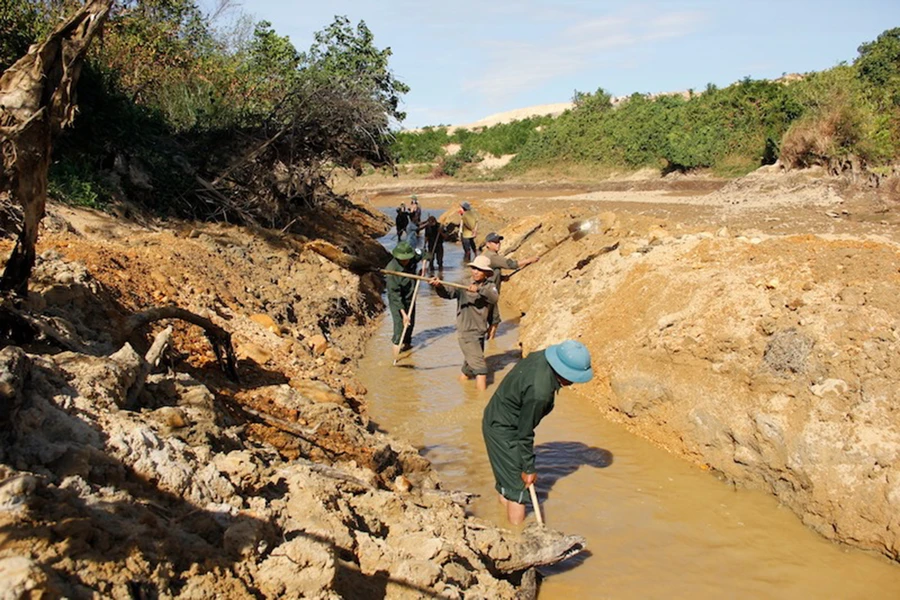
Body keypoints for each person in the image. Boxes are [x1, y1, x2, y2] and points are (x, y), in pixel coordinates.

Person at [482, 340, 593, 524]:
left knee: (508, 484)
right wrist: (528, 468)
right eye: (573, 378)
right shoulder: (540, 392)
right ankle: (517, 537)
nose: (573, 383)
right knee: (520, 490)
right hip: (503, 429)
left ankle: (502, 527)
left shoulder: (542, 357)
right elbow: (524, 432)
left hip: (497, 416)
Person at [428, 255, 498, 391]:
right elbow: (448, 293)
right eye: (474, 269)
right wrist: (439, 286)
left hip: (479, 332)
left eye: (479, 270)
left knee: (469, 368)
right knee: (481, 369)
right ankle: (480, 402)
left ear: (486, 273)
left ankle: (461, 388)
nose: (475, 272)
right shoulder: (463, 283)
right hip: (467, 332)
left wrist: (479, 290)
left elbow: (494, 298)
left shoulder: (490, 286)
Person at [479, 232, 540, 339]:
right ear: (488, 244)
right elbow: (511, 264)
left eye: (498, 242)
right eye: (495, 242)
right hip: (490, 295)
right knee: (495, 320)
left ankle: (487, 341)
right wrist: (529, 260)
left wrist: (501, 278)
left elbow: (489, 273)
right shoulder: (492, 256)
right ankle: (491, 343)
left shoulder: (487, 256)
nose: (498, 244)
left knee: (486, 320)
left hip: (486, 293)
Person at [385, 241, 421, 356]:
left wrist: (424, 264)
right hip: (397, 301)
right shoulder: (391, 270)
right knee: (400, 325)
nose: (406, 261)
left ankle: (408, 346)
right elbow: (395, 295)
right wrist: (404, 314)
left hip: (411, 295)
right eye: (403, 260)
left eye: (408, 259)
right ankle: (396, 356)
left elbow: (422, 254)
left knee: (411, 324)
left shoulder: (412, 256)